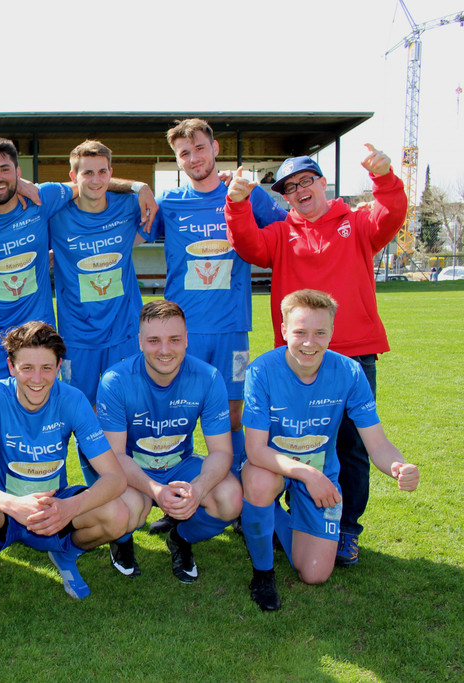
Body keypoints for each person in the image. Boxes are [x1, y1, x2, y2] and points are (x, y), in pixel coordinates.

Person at [225, 144, 408, 566]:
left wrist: (384, 178)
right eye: (290, 187)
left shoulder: (356, 223)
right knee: (277, 442)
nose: (300, 190)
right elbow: (247, 243)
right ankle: (267, 512)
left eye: (306, 180)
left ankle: (345, 529)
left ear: (323, 183)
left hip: (353, 355)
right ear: (285, 197)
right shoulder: (281, 234)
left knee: (351, 448)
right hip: (292, 360)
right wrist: (236, 202)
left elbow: (391, 214)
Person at [147, 120, 288, 540]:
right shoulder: (170, 204)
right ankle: (178, 502)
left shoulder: (241, 195)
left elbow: (286, 221)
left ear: (215, 148)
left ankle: (246, 503)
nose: (194, 158)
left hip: (229, 328)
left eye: (200, 149)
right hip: (181, 332)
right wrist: (136, 188)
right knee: (177, 416)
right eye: (184, 154)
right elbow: (126, 220)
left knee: (233, 414)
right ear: (177, 160)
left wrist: (253, 189)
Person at [239, 289, 419, 611]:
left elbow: (376, 443)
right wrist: (308, 474)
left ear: (332, 332)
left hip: (321, 474)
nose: (310, 343)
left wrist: (398, 466)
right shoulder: (261, 371)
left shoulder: (349, 372)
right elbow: (255, 450)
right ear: (283, 331)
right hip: (272, 466)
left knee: (315, 574)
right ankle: (262, 574)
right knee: (259, 483)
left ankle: (269, 517)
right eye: (300, 333)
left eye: (320, 333)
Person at [0, 321, 129, 601]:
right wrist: (14, 505)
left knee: (118, 516)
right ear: (11, 367)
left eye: (46, 368)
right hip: (3, 507)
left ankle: (66, 556)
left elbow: (115, 478)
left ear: (59, 368)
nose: (37, 379)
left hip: (53, 508)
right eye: (27, 368)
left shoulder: (73, 400)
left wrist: (70, 507)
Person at [0, 136, 156, 389]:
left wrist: (139, 187)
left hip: (39, 329)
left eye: (5, 170)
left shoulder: (42, 200)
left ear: (18, 173)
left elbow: (90, 183)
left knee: (50, 406)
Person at [96, 300, 242, 582]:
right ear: (140, 342)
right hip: (130, 468)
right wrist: (155, 490)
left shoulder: (208, 378)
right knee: (125, 510)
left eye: (174, 339)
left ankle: (181, 537)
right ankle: (122, 540)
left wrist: (197, 490)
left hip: (179, 465)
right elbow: (114, 456)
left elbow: (222, 452)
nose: (165, 350)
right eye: (154, 341)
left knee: (231, 498)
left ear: (187, 339)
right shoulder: (116, 380)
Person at [49, 140, 147, 405]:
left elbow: (147, 229)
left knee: (127, 405)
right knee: (82, 411)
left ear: (111, 173)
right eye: (87, 173)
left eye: (102, 172)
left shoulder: (128, 206)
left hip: (124, 329)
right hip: (77, 334)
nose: (96, 180)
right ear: (73, 177)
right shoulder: (56, 215)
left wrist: (140, 187)